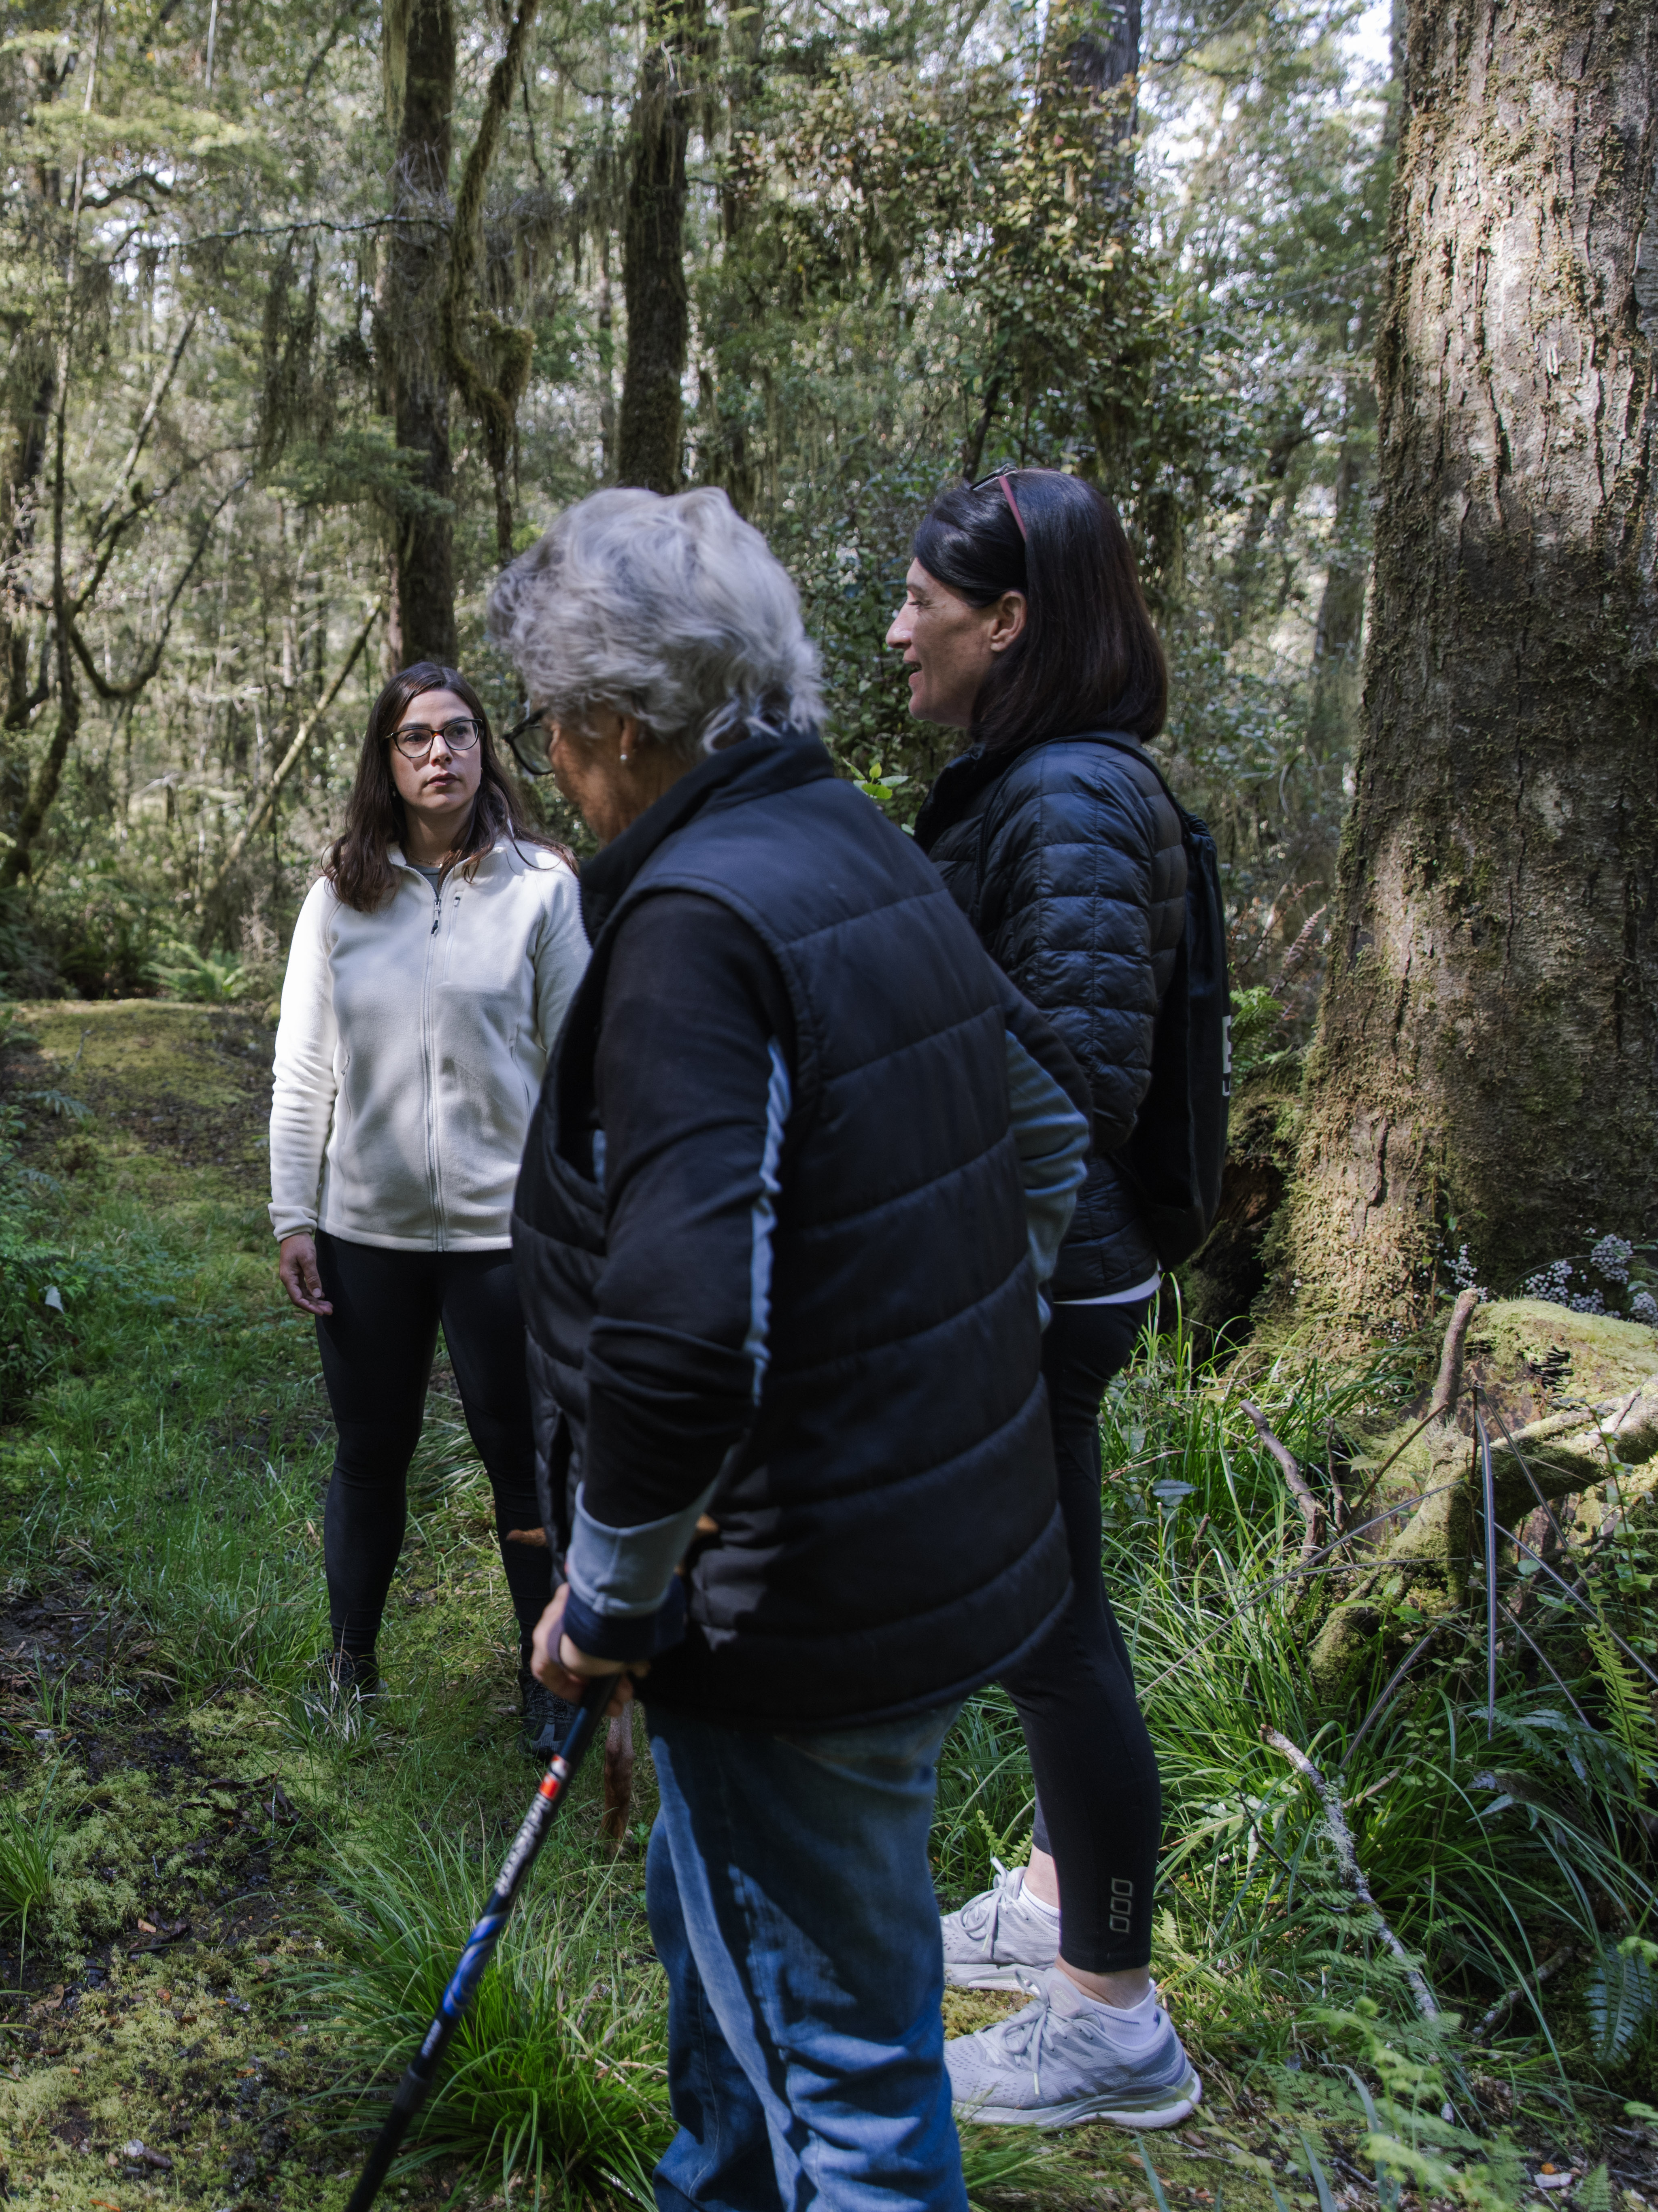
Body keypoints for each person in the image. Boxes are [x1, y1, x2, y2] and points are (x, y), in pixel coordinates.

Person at [500, 486, 1103, 2208]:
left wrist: (609, 1592)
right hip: (906, 1553)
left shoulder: (692, 920)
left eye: (552, 722)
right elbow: (1041, 1131)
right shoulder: (847, 834)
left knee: (848, 2088)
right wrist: (942, 1344)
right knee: (755, 2002)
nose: (550, 760)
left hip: (790, 1606)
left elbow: (681, 1342)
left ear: (613, 725)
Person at [893, 468, 1203, 2126]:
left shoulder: (1071, 795)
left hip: (1046, 1267)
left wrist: (887, 961)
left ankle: (1108, 2011)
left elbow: (1075, 1062)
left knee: (1050, 1625)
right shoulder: (1043, 779)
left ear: (1007, 623)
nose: (896, 631)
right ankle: (1048, 1891)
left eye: (919, 605)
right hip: (1056, 1256)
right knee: (1052, 1613)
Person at [267, 664, 589, 1750]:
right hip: (371, 1232)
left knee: (526, 1463)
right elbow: (303, 1068)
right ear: (388, 760)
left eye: (459, 734)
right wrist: (292, 1213)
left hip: (510, 1236)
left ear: (485, 750)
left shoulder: (543, 886)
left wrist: (588, 1214)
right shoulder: (341, 892)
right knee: (370, 1453)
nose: (440, 753)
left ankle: (548, 1682)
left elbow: (581, 1063)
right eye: (415, 738)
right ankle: (350, 1666)